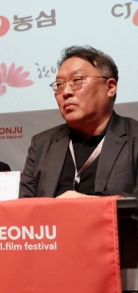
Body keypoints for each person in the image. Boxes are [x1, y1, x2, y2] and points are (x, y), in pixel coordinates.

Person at [20, 45, 138, 198]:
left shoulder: (134, 138)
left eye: (77, 80)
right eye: (59, 85)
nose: (66, 92)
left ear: (110, 87)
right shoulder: (42, 144)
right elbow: (25, 209)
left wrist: (88, 205)